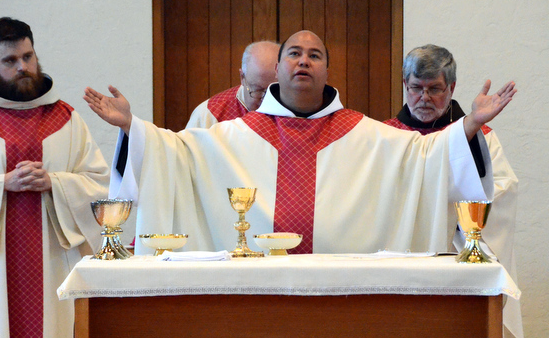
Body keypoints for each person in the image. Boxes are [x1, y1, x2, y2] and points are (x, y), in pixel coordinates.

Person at [84, 30, 515, 259]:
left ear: (328, 70)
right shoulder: (235, 134)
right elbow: (176, 153)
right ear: (279, 70)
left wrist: (471, 123)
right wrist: (133, 129)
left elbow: (427, 156)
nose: (304, 60)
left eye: (314, 54)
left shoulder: (369, 135)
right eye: (294, 53)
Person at [0, 17, 109, 338]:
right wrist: (0, 184)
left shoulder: (64, 118)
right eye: (10, 60)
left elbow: (98, 182)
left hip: (51, 259)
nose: (23, 67)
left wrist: (56, 183)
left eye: (28, 56)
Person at [384, 44, 522, 338]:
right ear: (404, 86)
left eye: (434, 88)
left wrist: (457, 211)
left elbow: (503, 187)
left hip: (459, 259)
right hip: (401, 258)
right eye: (415, 88)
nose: (424, 98)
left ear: (451, 88)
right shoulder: (387, 135)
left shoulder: (481, 134)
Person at [185, 40, 280, 128]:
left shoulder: (293, 109)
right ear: (242, 77)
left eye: (276, 90)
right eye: (258, 91)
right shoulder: (209, 115)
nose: (267, 100)